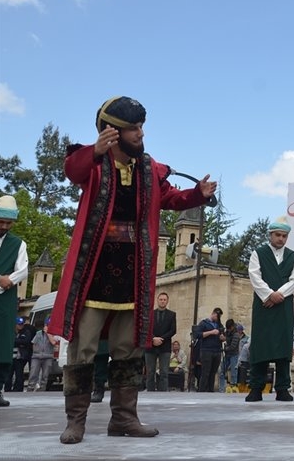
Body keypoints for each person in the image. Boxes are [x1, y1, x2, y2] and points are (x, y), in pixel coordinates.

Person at [48, 96, 216, 444]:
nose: (141, 134)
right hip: (94, 271)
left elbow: (171, 198)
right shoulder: (93, 163)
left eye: (141, 127)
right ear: (112, 132)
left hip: (133, 274)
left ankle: (124, 419)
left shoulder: (149, 169)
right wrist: (95, 150)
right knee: (83, 349)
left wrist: (197, 195)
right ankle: (75, 422)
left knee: (128, 349)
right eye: (133, 128)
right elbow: (72, 171)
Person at [245, 217, 294, 403]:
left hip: (283, 306)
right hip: (264, 306)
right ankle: (256, 388)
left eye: (284, 236)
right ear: (271, 235)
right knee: (261, 345)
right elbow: (254, 276)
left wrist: (278, 295)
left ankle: (282, 388)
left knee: (283, 346)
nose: (281, 239)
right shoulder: (258, 253)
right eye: (278, 235)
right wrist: (269, 295)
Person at [0, 195, 28, 407]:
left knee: (2, 344)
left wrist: (0, 285)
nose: (4, 226)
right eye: (0, 222)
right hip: (2, 286)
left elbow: (23, 270)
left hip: (5, 301)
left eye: (9, 223)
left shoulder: (18, 243)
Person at [144, 292, 176, 392]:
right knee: (150, 372)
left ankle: (163, 394)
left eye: (164, 300)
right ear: (157, 300)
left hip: (164, 346)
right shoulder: (150, 314)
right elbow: (146, 328)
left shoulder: (172, 315)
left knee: (164, 372)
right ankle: (150, 392)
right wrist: (153, 338)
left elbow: (173, 330)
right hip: (150, 346)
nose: (162, 301)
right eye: (160, 299)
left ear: (167, 301)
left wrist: (161, 339)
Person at [195, 308, 224, 392]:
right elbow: (198, 334)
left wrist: (222, 337)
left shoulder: (219, 325)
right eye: (217, 316)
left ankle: (211, 391)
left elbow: (223, 335)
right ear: (213, 314)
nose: (218, 318)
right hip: (206, 350)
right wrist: (211, 332)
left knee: (213, 373)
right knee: (205, 372)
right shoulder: (204, 323)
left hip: (217, 350)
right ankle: (202, 391)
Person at [27, 318, 58, 391]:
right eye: (47, 325)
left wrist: (48, 333)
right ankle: (30, 388)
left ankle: (42, 389)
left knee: (45, 375)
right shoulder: (38, 333)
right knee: (33, 373)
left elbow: (53, 343)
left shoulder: (53, 335)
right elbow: (33, 343)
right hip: (37, 356)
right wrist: (35, 351)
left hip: (48, 356)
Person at [10, 316, 35, 392]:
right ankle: (8, 389)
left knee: (19, 374)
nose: (20, 326)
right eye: (19, 324)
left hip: (20, 357)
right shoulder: (11, 332)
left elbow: (26, 342)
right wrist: (19, 342)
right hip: (10, 357)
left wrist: (16, 341)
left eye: (21, 324)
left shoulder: (26, 332)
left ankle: (18, 390)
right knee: (9, 375)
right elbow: (10, 341)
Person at [219, 319, 240, 392]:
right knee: (222, 371)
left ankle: (233, 387)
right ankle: (221, 389)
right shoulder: (227, 332)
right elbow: (223, 338)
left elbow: (233, 346)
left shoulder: (236, 334)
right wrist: (221, 337)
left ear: (232, 327)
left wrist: (226, 341)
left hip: (234, 355)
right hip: (227, 355)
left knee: (234, 372)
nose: (228, 330)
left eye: (229, 328)